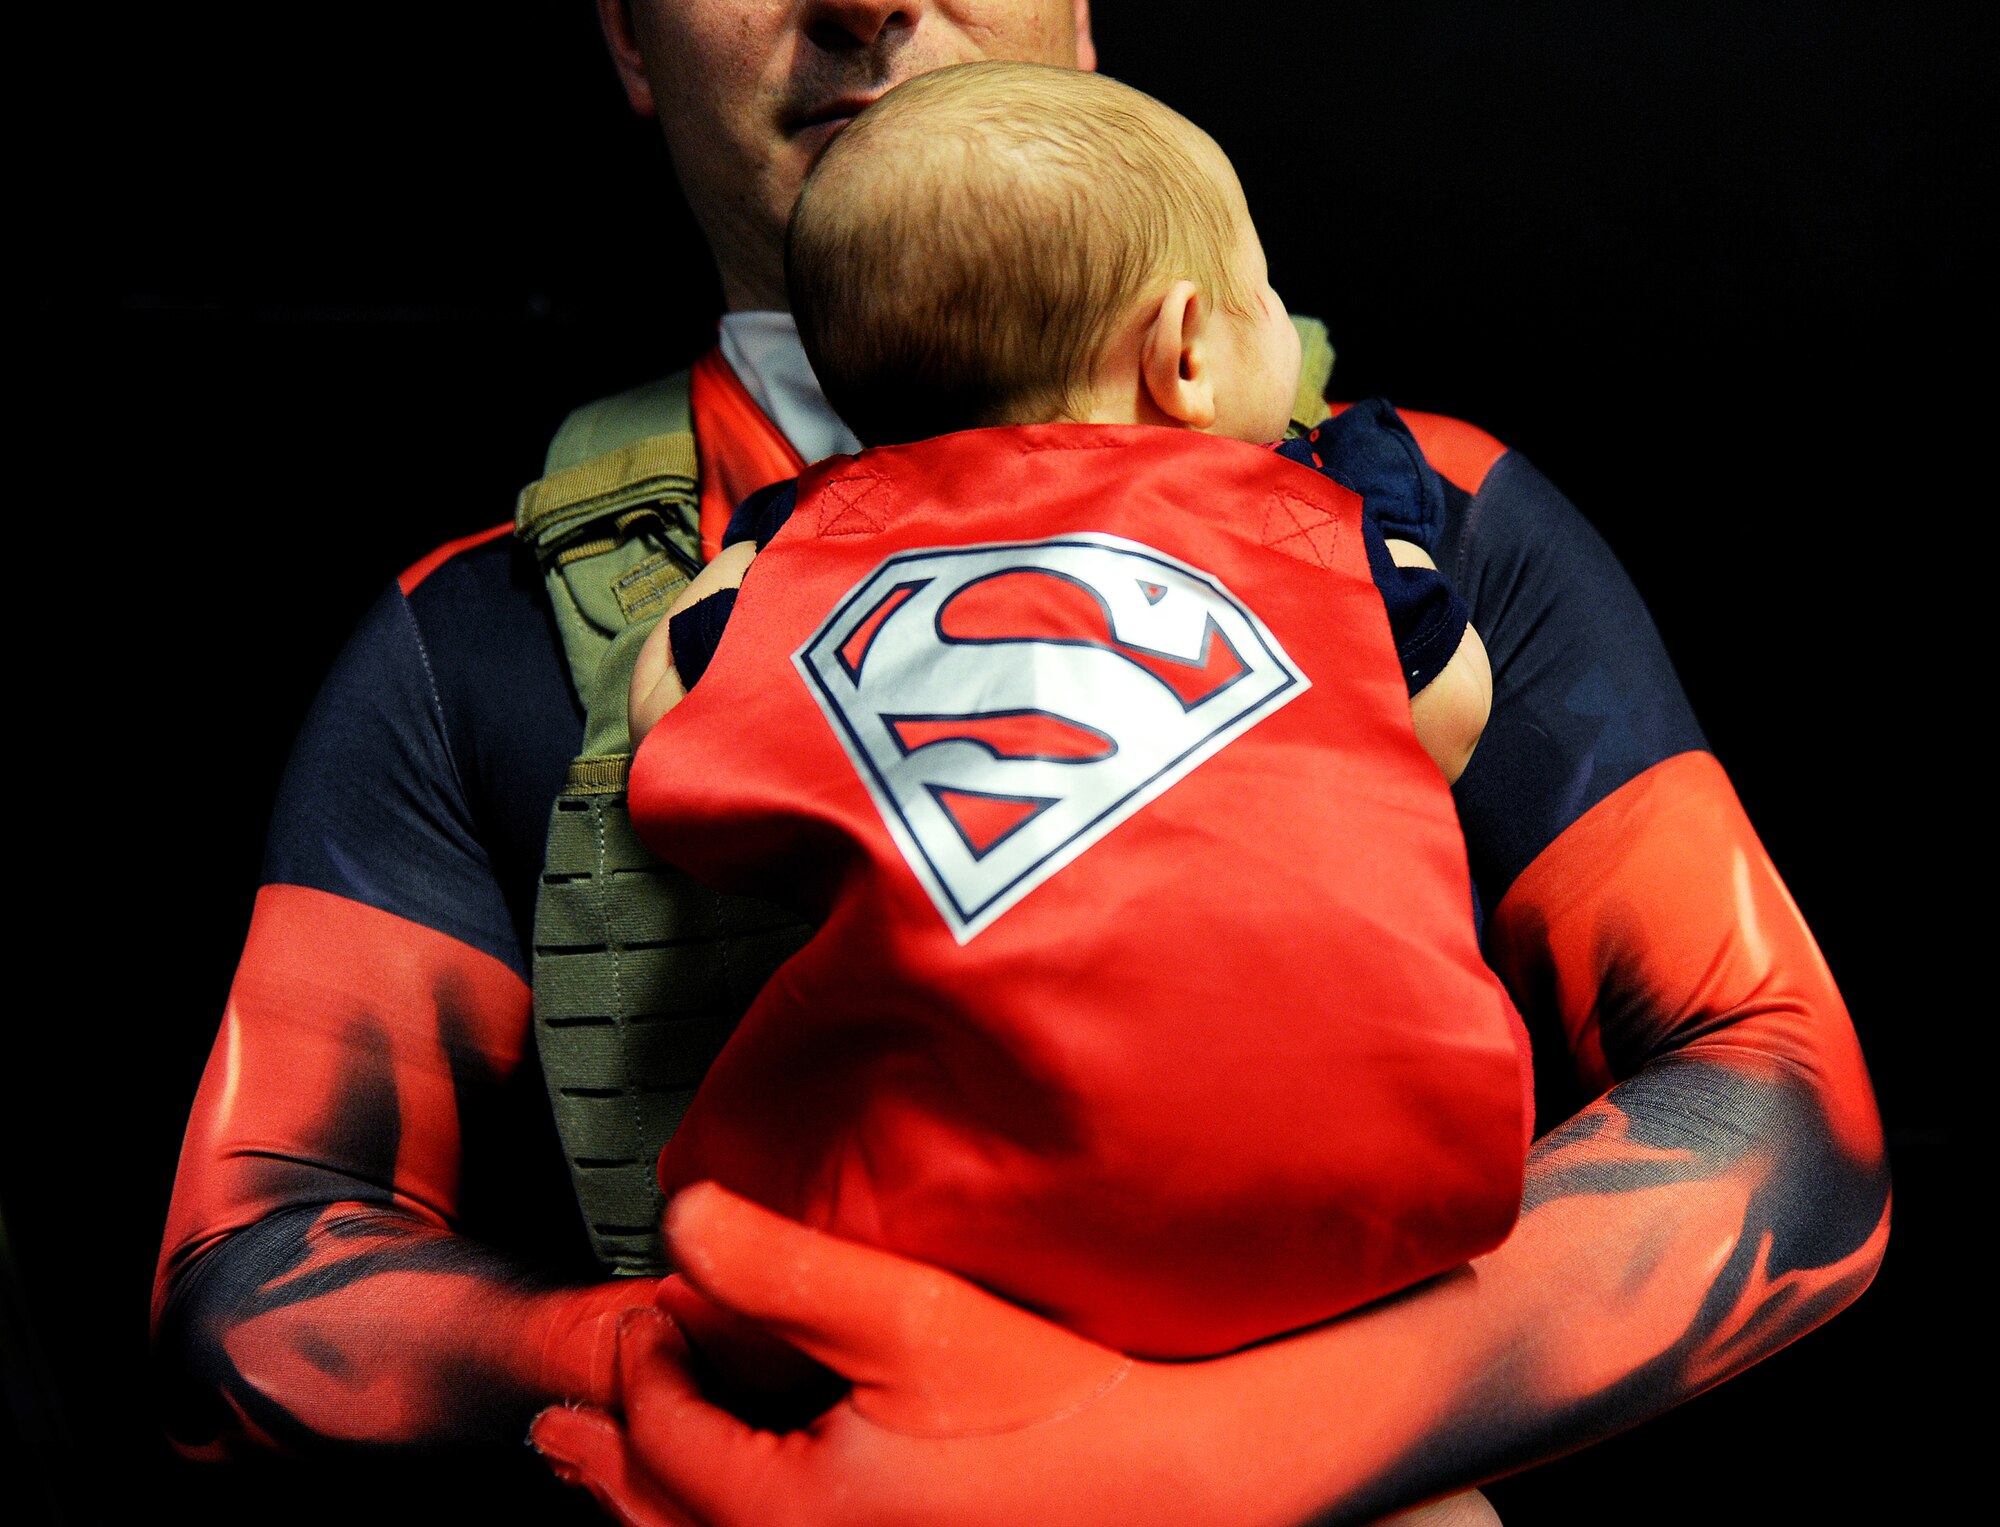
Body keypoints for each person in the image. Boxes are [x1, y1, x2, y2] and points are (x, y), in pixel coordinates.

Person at [151, 4, 1889, 1525]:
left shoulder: (1425, 518)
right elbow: (244, 1274)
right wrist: (672, 1379)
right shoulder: (473, 643)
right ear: (628, 30)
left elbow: (1786, 1102)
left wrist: (1217, 1451)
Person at [628, 60, 1528, 1371]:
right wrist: (1373, 546)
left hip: (922, 1230)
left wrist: (756, 558)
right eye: (1263, 293)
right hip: (1365, 1182)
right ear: (1185, 352)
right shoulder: (1309, 516)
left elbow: (675, 731)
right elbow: (1448, 710)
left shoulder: (822, 544)